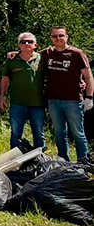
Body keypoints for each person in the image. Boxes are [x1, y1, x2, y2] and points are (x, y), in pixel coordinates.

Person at [41, 26, 93, 161]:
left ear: (66, 37)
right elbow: (28, 53)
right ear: (51, 38)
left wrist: (89, 97)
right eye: (54, 36)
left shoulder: (77, 54)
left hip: (73, 101)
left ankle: (83, 162)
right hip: (53, 100)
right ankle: (64, 161)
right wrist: (14, 53)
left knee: (78, 133)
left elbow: (88, 77)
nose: (58, 38)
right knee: (59, 133)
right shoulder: (47, 53)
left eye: (61, 35)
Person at [0, 32, 45, 150]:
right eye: (23, 42)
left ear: (35, 45)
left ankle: (41, 161)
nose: (26, 44)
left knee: (39, 135)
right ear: (19, 45)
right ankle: (15, 163)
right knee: (16, 135)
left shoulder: (42, 58)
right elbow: (5, 78)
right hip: (17, 104)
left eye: (30, 42)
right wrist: (1, 96)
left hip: (37, 104)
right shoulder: (12, 60)